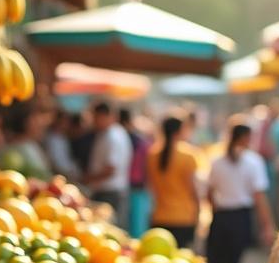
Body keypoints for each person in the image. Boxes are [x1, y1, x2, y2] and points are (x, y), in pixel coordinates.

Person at [206, 121, 274, 263]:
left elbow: (209, 193)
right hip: (240, 218)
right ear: (246, 138)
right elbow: (259, 197)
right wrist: (267, 225)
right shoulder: (253, 162)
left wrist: (216, 209)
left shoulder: (217, 161)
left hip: (221, 217)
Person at [146, 113, 200, 248]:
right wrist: (198, 213)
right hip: (184, 217)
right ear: (181, 130)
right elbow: (194, 189)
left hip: (159, 216)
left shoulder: (152, 154)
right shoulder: (188, 156)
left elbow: (150, 186)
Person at [83, 102, 132, 230]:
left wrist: (88, 179)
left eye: (95, 117)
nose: (93, 121)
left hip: (110, 192)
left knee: (110, 230)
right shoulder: (108, 133)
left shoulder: (113, 136)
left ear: (105, 116)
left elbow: (110, 169)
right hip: (108, 191)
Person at [121, 108, 152, 237]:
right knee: (137, 223)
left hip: (134, 185)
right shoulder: (139, 141)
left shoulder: (135, 141)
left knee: (134, 223)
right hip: (137, 185)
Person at [44, 111, 80, 180]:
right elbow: (54, 162)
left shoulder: (64, 138)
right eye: (63, 121)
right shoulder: (50, 138)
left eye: (67, 122)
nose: (65, 124)